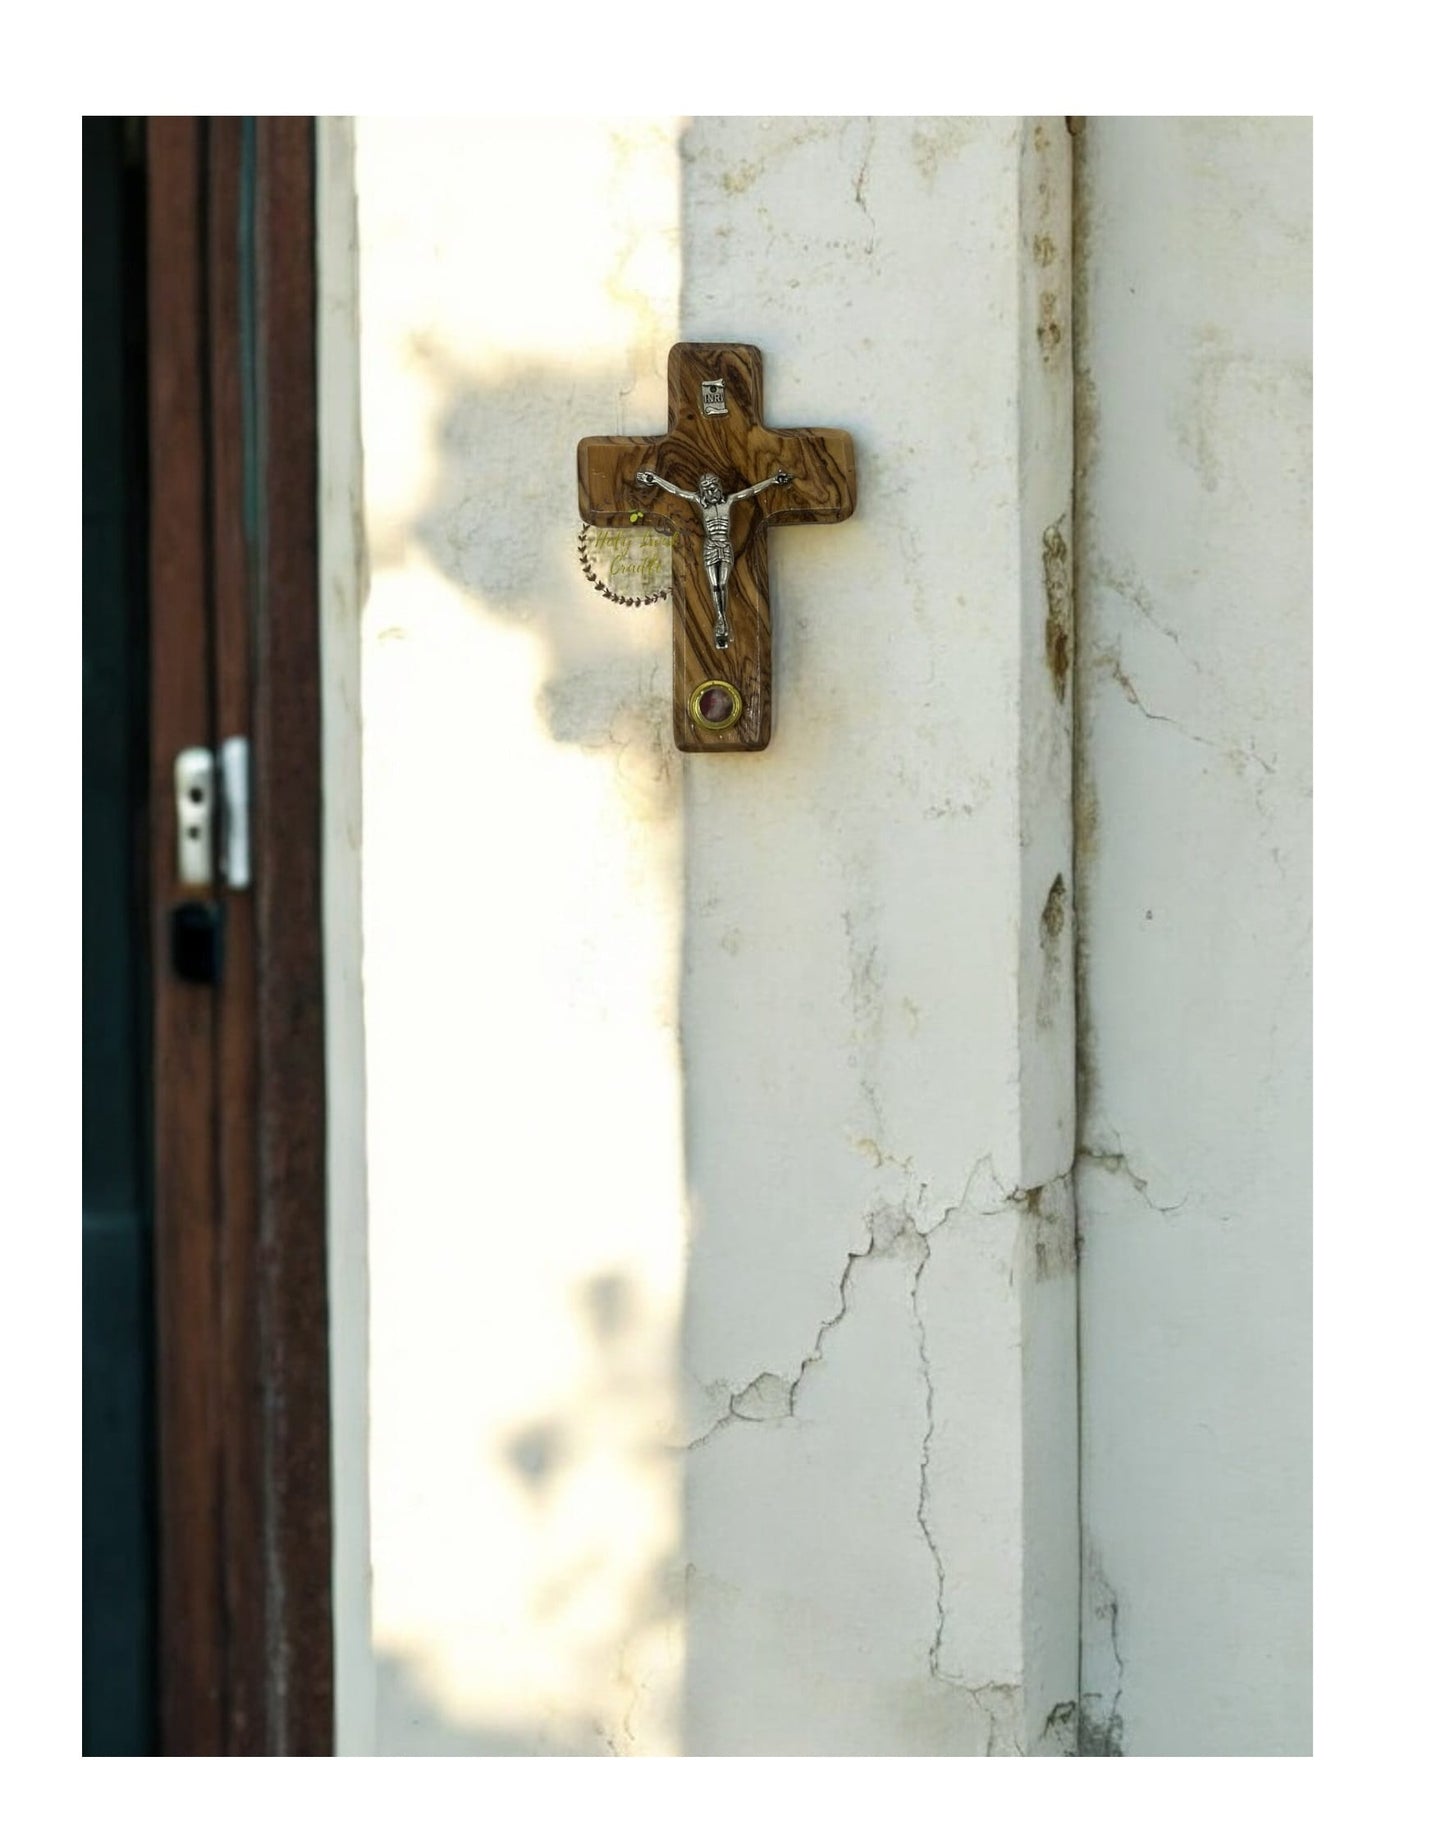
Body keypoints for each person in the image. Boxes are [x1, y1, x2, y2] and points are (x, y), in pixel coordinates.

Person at [636, 468, 792, 649]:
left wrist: (773, 480)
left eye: (713, 488)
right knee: (714, 585)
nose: (710, 493)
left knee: (723, 583)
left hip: (725, 545)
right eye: (706, 490)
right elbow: (677, 491)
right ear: (702, 492)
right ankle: (720, 622)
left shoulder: (729, 501)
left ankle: (722, 620)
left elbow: (751, 491)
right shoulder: (701, 503)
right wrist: (655, 479)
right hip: (710, 547)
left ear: (719, 487)